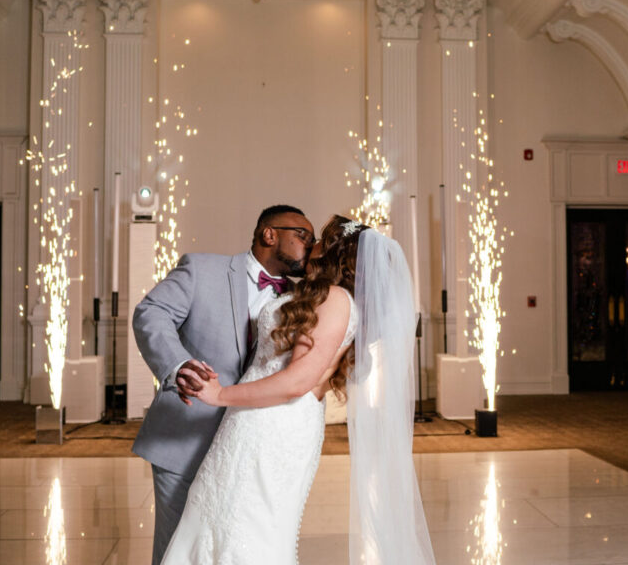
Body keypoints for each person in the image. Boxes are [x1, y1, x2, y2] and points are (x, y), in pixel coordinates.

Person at [160, 215, 436, 565]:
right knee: (223, 517)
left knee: (247, 525)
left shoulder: (336, 299)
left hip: (272, 424)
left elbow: (297, 381)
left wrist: (219, 395)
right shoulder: (325, 297)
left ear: (334, 252)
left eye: (319, 238)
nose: (311, 244)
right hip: (258, 421)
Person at [131, 204, 314, 565]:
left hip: (247, 450)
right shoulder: (201, 269)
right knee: (177, 552)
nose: (310, 245)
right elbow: (150, 313)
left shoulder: (303, 299)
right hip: (185, 438)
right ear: (269, 234)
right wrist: (177, 363)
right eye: (303, 235)